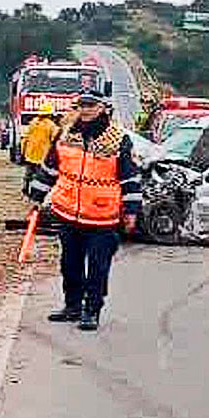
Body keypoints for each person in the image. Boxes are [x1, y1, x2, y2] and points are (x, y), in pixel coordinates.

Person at [25, 90, 141, 331]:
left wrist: (131, 211)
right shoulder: (66, 135)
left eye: (91, 105)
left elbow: (130, 179)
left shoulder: (119, 140)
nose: (86, 110)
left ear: (103, 108)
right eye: (82, 105)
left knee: (98, 268)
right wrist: (36, 197)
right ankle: (72, 306)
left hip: (103, 218)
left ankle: (92, 310)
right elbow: (49, 169)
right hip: (68, 214)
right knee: (70, 264)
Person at [21, 102, 59, 195]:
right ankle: (35, 192)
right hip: (43, 155)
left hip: (30, 154)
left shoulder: (33, 122)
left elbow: (25, 138)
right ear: (50, 114)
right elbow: (55, 140)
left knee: (29, 172)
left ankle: (25, 187)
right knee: (39, 175)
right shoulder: (51, 126)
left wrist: (23, 152)